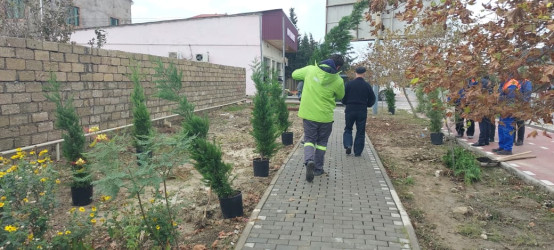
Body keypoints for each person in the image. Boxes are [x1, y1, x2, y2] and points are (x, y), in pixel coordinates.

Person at [292, 54, 345, 182]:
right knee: (322, 143)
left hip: (309, 115)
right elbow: (341, 95)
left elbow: (294, 74)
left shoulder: (310, 70)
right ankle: (318, 168)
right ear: (337, 67)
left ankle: (309, 160)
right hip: (326, 117)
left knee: (309, 140)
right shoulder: (338, 80)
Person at [341, 67, 376, 156]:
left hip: (350, 109)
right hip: (362, 110)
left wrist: (346, 103)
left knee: (348, 128)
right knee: (360, 131)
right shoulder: (367, 85)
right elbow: (373, 98)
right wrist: (368, 104)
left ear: (355, 73)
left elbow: (343, 96)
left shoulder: (349, 84)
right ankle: (358, 151)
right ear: (364, 74)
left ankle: (348, 145)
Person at [493, 77, 520, 155]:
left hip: (508, 109)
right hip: (503, 109)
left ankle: (507, 149)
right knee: (501, 128)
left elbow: (511, 98)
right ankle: (502, 146)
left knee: (507, 128)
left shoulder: (512, 83)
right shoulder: (505, 82)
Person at [472, 76, 492, 146]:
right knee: (487, 123)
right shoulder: (489, 82)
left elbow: (476, 92)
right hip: (488, 105)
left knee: (482, 123)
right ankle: (486, 140)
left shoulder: (480, 81)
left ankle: (481, 141)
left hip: (482, 104)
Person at [513, 77, 532, 146]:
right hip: (513, 104)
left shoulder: (526, 82)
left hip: (521, 105)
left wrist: (522, 103)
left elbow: (527, 94)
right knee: (513, 122)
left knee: (520, 122)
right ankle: (513, 138)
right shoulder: (514, 80)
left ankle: (520, 139)